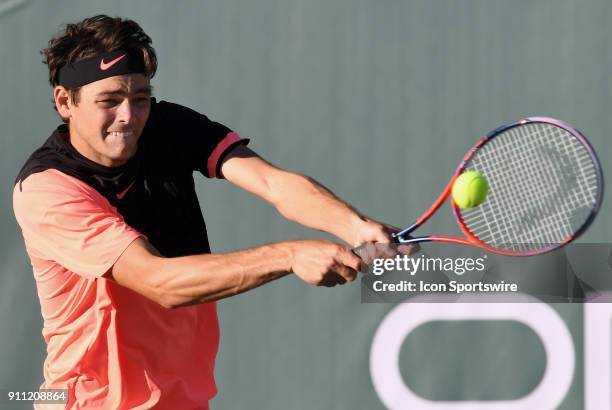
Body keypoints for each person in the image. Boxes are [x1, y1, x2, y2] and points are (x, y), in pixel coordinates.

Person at [12, 15, 401, 409]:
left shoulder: (169, 128)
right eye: (109, 101)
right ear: (65, 102)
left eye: (140, 98)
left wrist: (355, 226)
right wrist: (290, 255)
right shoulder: (48, 189)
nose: (129, 116)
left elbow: (272, 182)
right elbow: (160, 282)